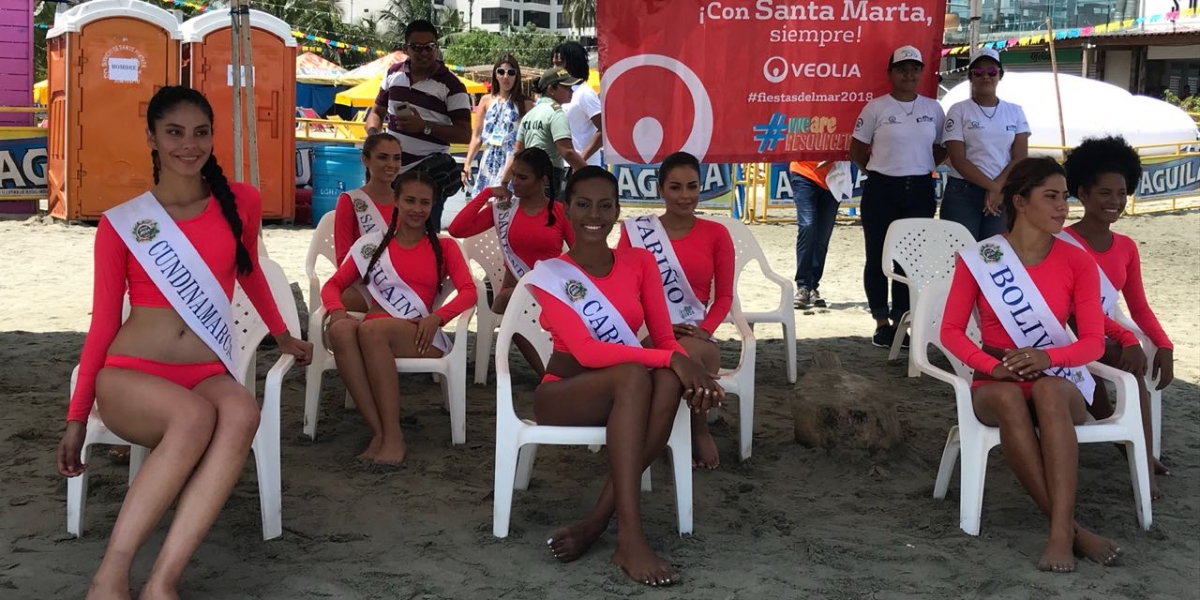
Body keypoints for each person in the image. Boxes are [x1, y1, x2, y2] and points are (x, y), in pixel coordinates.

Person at [55, 86, 313, 599]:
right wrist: (77, 418)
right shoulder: (122, 224)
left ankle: (162, 582)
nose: (188, 145)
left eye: (200, 133)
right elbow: (103, 324)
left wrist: (282, 334)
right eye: (174, 132)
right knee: (193, 417)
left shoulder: (240, 201)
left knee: (241, 410)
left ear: (212, 137)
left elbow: (250, 273)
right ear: (151, 137)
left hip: (203, 371)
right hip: (130, 375)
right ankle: (110, 576)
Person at [528, 166, 722, 586]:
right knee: (640, 373)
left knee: (661, 378)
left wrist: (679, 361)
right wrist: (674, 360)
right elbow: (586, 350)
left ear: (617, 211)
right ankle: (631, 536)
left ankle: (598, 523)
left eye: (604, 205)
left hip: (623, 394)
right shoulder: (550, 274)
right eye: (582, 204)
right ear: (566, 209)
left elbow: (666, 336)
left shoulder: (639, 260)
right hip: (563, 395)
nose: (593, 214)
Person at [940, 157, 1122, 573]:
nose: (1063, 207)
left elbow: (1093, 341)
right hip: (995, 378)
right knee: (1006, 398)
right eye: (1051, 197)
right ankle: (1072, 530)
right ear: (1020, 202)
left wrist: (1049, 357)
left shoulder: (1078, 262)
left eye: (1065, 197)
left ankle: (1060, 533)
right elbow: (950, 331)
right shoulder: (980, 258)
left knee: (1048, 390)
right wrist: (991, 365)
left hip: (1058, 377)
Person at [321, 170, 477, 463]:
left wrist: (438, 318)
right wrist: (337, 310)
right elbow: (333, 285)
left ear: (433, 205)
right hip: (375, 333)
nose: (417, 209)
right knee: (340, 331)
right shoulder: (372, 246)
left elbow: (470, 291)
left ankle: (393, 436)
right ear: (395, 200)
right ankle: (380, 432)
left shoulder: (445, 246)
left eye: (425, 202)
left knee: (371, 330)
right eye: (410, 201)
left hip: (421, 334)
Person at [1062, 135, 1174, 498]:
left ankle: (1132, 443)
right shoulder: (1062, 243)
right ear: (1082, 192)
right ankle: (1139, 456)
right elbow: (1076, 310)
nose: (1115, 201)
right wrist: (1126, 341)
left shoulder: (1126, 247)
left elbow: (1138, 306)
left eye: (1122, 193)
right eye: (1104, 193)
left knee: (1133, 359)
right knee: (1127, 364)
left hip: (1104, 331)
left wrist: (1164, 344)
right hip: (1064, 332)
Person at [616, 152, 734, 469]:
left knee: (690, 353)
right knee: (678, 357)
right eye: (676, 187)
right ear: (661, 189)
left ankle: (673, 434)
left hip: (696, 331)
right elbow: (622, 289)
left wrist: (705, 330)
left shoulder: (717, 233)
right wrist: (660, 325)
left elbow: (723, 296)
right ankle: (697, 429)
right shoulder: (636, 232)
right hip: (647, 330)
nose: (685, 196)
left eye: (692, 187)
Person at [851, 45, 947, 349]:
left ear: (921, 72)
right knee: (877, 256)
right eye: (902, 68)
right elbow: (857, 148)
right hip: (881, 189)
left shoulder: (933, 108)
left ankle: (902, 321)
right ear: (891, 73)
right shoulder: (876, 107)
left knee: (910, 260)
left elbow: (944, 146)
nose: (909, 74)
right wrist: (877, 172)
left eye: (914, 68)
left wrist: (923, 166)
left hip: (919, 189)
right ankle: (881, 322)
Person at [448, 147, 574, 375]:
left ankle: (553, 372)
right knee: (511, 306)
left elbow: (580, 253)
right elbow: (458, 229)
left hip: (551, 289)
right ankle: (547, 374)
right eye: (513, 174)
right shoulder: (503, 211)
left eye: (522, 177)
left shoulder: (559, 212)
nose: (514, 181)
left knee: (517, 310)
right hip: (513, 290)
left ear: (542, 180)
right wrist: (486, 194)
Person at [364, 19, 472, 230]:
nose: (424, 52)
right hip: (390, 174)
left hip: (428, 176)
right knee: (383, 234)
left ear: (437, 48)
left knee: (424, 238)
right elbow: (377, 111)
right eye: (417, 47)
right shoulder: (393, 73)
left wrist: (424, 126)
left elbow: (465, 134)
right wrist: (373, 136)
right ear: (406, 49)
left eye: (430, 46)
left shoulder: (452, 85)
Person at [941, 48, 1031, 240]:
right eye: (978, 72)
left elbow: (1020, 157)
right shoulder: (958, 110)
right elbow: (958, 159)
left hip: (1002, 192)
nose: (985, 77)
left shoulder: (1015, 111)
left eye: (991, 72)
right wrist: (993, 187)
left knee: (994, 255)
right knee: (961, 254)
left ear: (1000, 75)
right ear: (970, 77)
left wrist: (998, 187)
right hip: (963, 193)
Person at [333, 133, 404, 313]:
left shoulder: (407, 201)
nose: (391, 165)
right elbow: (343, 258)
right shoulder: (350, 200)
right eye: (382, 157)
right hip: (364, 284)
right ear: (365, 159)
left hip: (405, 285)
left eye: (397, 158)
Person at [462, 53, 532, 196]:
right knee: (484, 206)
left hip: (512, 160)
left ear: (516, 76)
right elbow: (477, 136)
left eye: (511, 72)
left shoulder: (526, 104)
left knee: (506, 206)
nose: (506, 77)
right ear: (495, 75)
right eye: (501, 72)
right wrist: (467, 163)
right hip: (489, 158)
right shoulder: (486, 101)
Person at [506, 68, 588, 189]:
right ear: (551, 90)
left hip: (529, 179)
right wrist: (590, 174)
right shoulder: (556, 113)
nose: (571, 91)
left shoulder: (529, 115)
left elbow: (517, 153)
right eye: (566, 87)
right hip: (549, 178)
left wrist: (504, 183)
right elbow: (568, 152)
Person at [788, 161, 839, 309]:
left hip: (834, 178)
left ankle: (813, 286)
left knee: (823, 235)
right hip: (803, 172)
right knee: (808, 226)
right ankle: (803, 285)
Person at [553, 41, 604, 168]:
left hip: (583, 169)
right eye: (553, 63)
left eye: (559, 64)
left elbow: (604, 130)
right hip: (558, 167)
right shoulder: (555, 94)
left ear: (573, 64)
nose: (554, 68)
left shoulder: (585, 93)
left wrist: (580, 159)